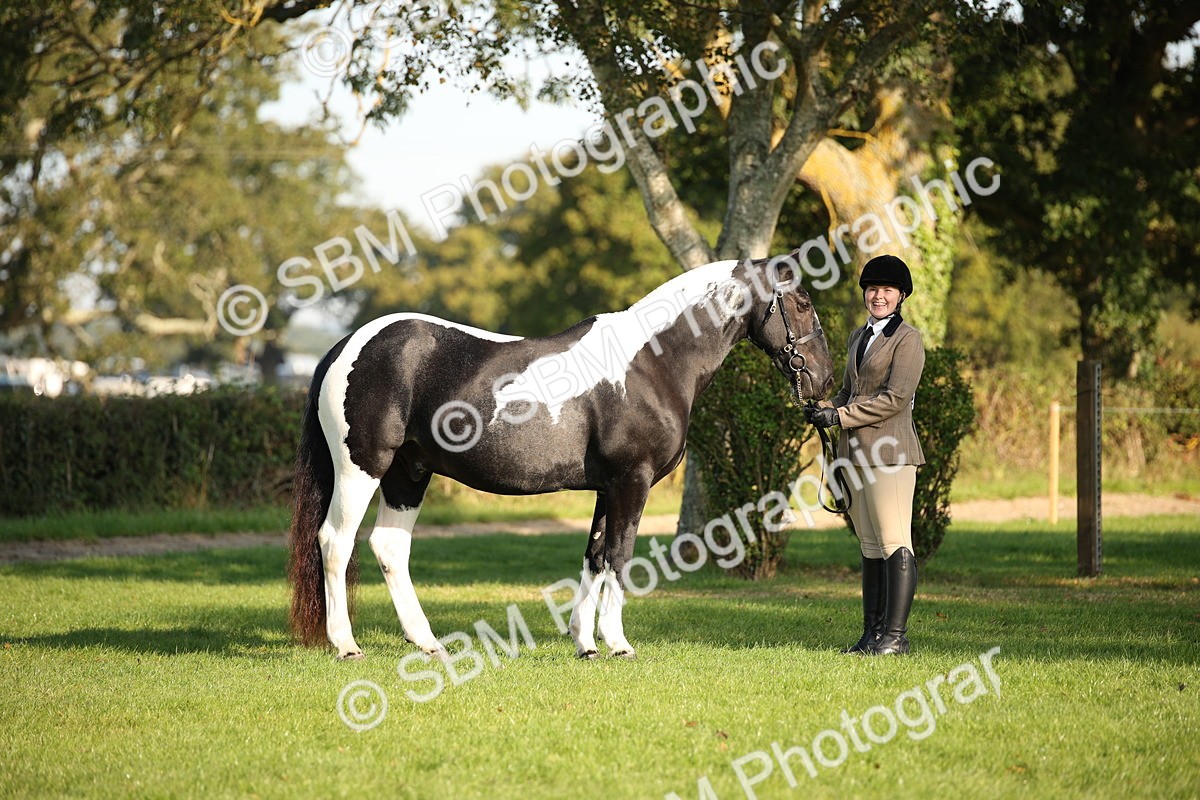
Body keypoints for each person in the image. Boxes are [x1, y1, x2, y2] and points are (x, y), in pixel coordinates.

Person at [804, 254, 925, 656]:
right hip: (854, 454)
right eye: (873, 288)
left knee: (894, 541)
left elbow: (894, 399)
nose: (879, 295)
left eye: (887, 290)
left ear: (900, 295)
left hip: (890, 454)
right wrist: (824, 409)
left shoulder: (908, 340)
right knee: (870, 546)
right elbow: (849, 392)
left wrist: (839, 415)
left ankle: (896, 636)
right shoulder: (859, 336)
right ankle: (872, 634)